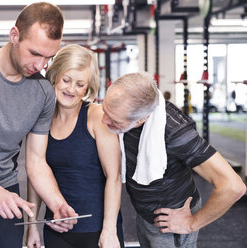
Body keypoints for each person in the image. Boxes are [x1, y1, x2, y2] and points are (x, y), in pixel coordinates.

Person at [0, 2, 77, 248]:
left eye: (48, 58)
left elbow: (36, 161)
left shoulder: (43, 93)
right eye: (35, 53)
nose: (40, 66)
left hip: (8, 196)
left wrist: (57, 203)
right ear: (14, 35)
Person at [101, 72, 247, 248]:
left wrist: (191, 223)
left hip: (171, 221)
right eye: (104, 110)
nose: (103, 120)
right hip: (146, 214)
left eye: (114, 121)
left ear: (142, 118)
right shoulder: (130, 107)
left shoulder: (176, 133)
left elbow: (233, 186)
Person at [26, 44, 124, 248]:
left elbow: (114, 177)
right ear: (54, 75)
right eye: (66, 80)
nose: (71, 89)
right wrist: (32, 225)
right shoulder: (42, 118)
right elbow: (35, 174)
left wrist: (109, 230)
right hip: (57, 229)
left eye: (80, 84)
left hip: (96, 230)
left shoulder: (96, 117)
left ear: (87, 88)